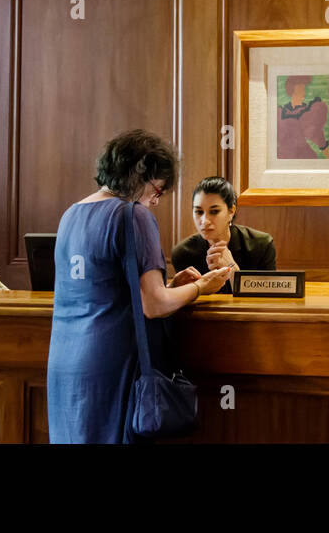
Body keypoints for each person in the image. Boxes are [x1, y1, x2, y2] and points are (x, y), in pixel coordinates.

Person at [46, 130, 230, 444]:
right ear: (140, 174)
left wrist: (171, 284)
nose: (155, 201)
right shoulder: (132, 214)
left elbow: (106, 287)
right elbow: (154, 304)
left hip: (65, 363)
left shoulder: (70, 215)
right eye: (157, 190)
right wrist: (203, 288)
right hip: (113, 363)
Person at [171, 176, 275, 295]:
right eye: (199, 212)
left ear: (231, 211)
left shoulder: (262, 245)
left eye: (214, 211)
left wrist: (232, 268)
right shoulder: (182, 253)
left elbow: (268, 300)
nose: (204, 221)